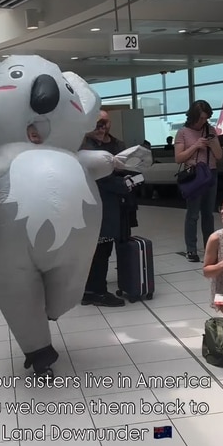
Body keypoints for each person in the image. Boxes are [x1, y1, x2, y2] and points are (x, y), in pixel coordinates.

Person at [80, 113, 137, 307]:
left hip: (117, 204)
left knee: (107, 246)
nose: (101, 127)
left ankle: (92, 288)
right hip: (95, 203)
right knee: (98, 248)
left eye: (104, 123)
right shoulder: (83, 146)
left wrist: (131, 177)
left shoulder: (116, 144)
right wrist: (123, 183)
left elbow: (129, 166)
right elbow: (96, 176)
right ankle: (95, 290)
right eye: (97, 123)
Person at [174, 100, 223, 262]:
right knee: (193, 214)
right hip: (194, 175)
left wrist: (213, 142)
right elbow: (179, 158)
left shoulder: (210, 130)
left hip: (210, 173)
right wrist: (195, 146)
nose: (204, 121)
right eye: (201, 118)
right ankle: (191, 249)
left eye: (206, 118)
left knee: (208, 213)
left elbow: (219, 156)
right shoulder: (182, 132)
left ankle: (210, 248)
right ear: (193, 116)